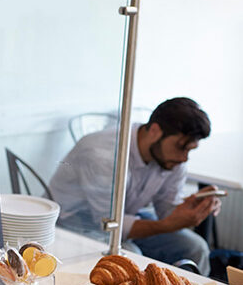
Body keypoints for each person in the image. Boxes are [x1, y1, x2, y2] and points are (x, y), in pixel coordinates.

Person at [49, 97, 220, 275]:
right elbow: (108, 223)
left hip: (125, 216)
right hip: (73, 223)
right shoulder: (103, 154)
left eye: (189, 150)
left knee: (196, 247)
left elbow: (166, 211)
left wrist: (192, 207)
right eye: (181, 147)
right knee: (132, 257)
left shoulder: (173, 159)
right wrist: (167, 225)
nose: (184, 158)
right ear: (154, 130)